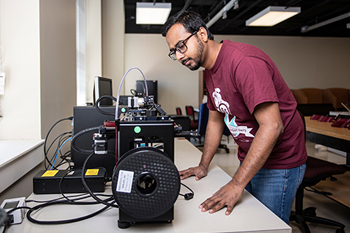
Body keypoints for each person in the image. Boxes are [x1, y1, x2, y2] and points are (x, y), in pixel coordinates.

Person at [161, 10, 307, 224]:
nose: (179, 56)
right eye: (174, 51)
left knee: (266, 226)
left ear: (202, 34)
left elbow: (273, 126)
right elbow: (215, 119)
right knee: (244, 220)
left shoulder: (244, 62)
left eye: (181, 46)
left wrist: (237, 183)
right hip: (251, 155)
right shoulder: (209, 70)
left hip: (280, 161)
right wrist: (203, 165)